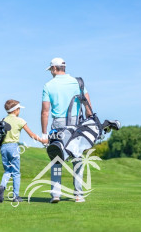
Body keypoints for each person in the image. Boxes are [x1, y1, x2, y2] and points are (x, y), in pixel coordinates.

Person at [41, 57, 93, 203]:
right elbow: (88, 105)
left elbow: (45, 111)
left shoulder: (48, 85)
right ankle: (78, 194)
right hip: (76, 124)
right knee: (77, 158)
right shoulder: (78, 82)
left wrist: (44, 133)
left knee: (57, 159)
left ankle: (56, 194)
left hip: (58, 125)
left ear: (53, 68)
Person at [0, 99, 48, 203]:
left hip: (4, 148)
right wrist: (43, 140)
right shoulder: (20, 121)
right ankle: (16, 196)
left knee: (7, 171)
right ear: (15, 110)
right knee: (16, 172)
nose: (19, 110)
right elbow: (31, 135)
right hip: (13, 147)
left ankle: (2, 186)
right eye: (19, 109)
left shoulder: (3, 120)